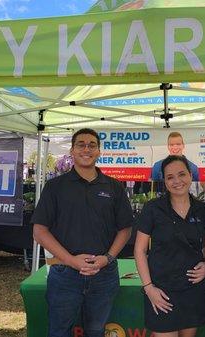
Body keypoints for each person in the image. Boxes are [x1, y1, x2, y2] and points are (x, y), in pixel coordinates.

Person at [31, 128, 133, 337]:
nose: (86, 149)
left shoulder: (114, 187)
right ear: (72, 150)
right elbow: (39, 231)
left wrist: (108, 258)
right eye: (81, 144)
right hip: (64, 274)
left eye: (92, 145)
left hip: (103, 275)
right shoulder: (55, 187)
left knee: (95, 332)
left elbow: (125, 229)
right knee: (59, 332)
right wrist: (70, 260)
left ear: (98, 151)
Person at [134, 155, 205, 337]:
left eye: (181, 174)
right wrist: (148, 288)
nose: (177, 181)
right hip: (162, 291)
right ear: (164, 181)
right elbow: (140, 250)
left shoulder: (202, 209)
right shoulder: (153, 209)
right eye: (170, 177)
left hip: (193, 290)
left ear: (190, 175)